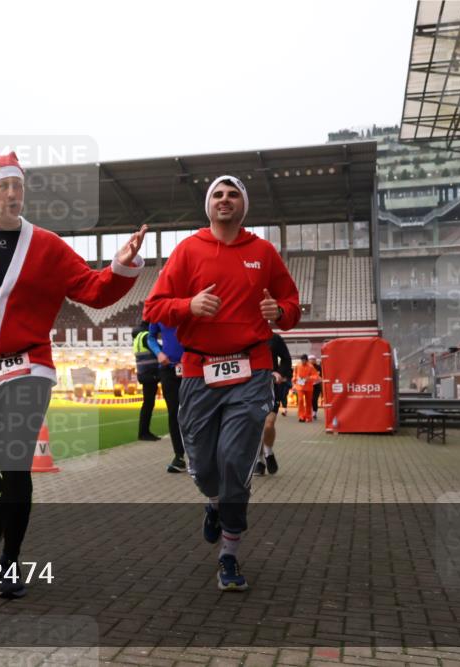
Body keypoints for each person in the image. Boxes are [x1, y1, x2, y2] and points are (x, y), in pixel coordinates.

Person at [0, 152, 145, 598]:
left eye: (17, 186)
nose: (10, 193)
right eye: (2, 185)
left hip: (29, 364)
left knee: (14, 462)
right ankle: (0, 510)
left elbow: (95, 291)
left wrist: (122, 265)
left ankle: (9, 565)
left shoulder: (46, 244)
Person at [144, 175, 299, 591]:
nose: (225, 200)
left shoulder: (263, 252)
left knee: (235, 459)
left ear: (243, 205)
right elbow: (154, 306)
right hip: (198, 371)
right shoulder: (187, 250)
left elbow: (292, 305)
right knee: (204, 468)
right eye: (218, 194)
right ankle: (213, 503)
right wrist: (188, 305)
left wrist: (279, 312)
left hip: (251, 369)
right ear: (208, 205)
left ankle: (229, 554)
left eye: (233, 195)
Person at [148, 321, 187, 472]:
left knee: (197, 411)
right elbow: (150, 338)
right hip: (168, 369)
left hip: (193, 366)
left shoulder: (190, 306)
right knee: (174, 412)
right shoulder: (158, 312)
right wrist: (159, 352)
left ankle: (202, 455)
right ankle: (179, 457)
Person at [256, 332, 292, 476]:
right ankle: (259, 461)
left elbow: (286, 358)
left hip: (270, 386)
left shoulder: (273, 338)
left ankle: (268, 452)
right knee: (255, 426)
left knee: (268, 424)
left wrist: (279, 373)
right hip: (249, 387)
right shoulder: (241, 334)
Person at [133, 321, 162, 441]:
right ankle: (144, 433)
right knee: (148, 404)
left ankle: (143, 432)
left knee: (147, 404)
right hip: (151, 373)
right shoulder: (146, 337)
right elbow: (159, 350)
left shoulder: (138, 337)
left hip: (144, 373)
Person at [293, 354, 319, 423]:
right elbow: (294, 374)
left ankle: (308, 416)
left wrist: (309, 378)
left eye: (304, 360)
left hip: (309, 387)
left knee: (308, 402)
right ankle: (301, 416)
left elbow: (316, 376)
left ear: (306, 360)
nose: (303, 361)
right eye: (302, 360)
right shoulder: (298, 365)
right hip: (300, 386)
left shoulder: (311, 367)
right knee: (300, 400)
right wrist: (295, 379)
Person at [310, 353, 323, 420]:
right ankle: (311, 412)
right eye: (311, 359)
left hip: (317, 386)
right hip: (309, 386)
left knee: (314, 399)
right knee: (310, 399)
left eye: (313, 359)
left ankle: (315, 412)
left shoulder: (318, 367)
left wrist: (319, 379)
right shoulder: (307, 367)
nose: (312, 360)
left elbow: (321, 376)